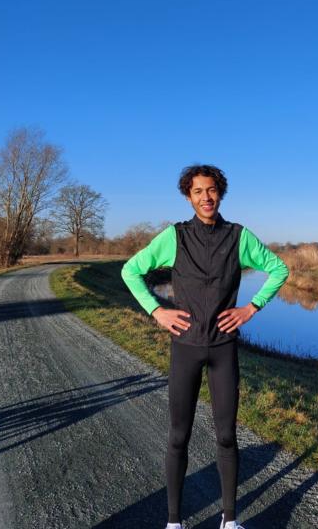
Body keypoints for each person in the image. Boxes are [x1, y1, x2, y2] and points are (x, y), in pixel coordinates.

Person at [121, 164, 289, 529]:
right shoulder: (174, 237)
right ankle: (174, 522)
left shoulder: (238, 236)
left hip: (223, 348)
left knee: (227, 436)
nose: (206, 197)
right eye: (197, 191)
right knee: (178, 436)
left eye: (211, 190)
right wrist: (157, 311)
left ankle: (229, 520)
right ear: (188, 197)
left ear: (220, 193)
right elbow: (130, 271)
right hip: (186, 347)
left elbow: (279, 269)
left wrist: (250, 308)